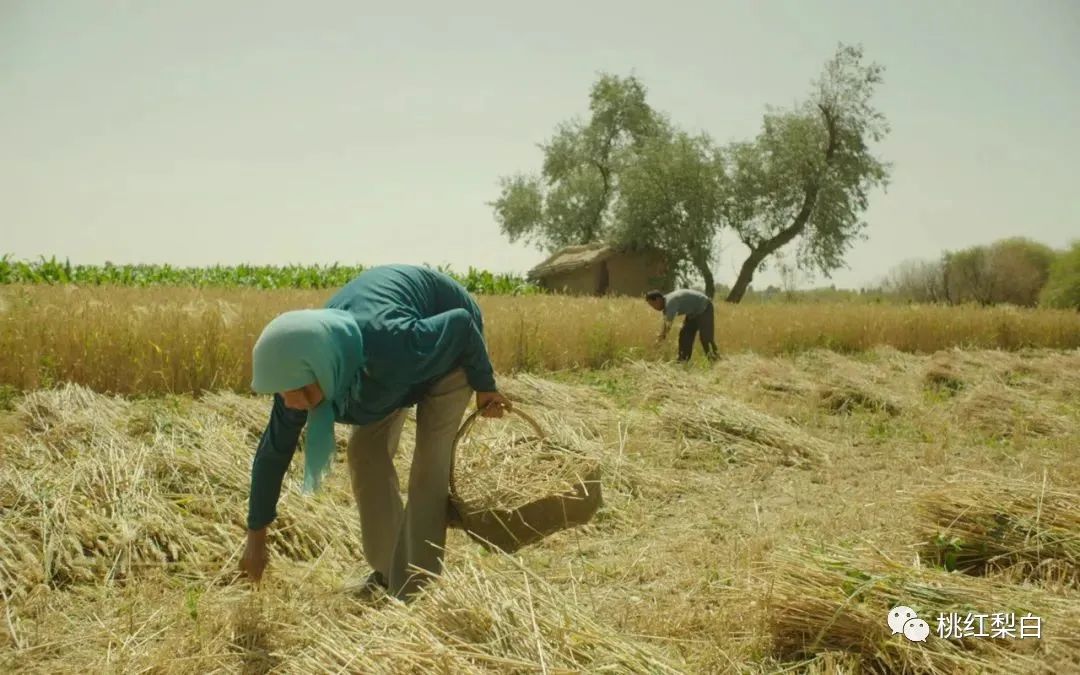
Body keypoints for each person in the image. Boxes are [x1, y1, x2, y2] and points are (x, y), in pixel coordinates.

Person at [239, 264, 511, 602]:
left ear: (322, 365)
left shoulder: (391, 344)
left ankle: (417, 590)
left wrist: (485, 387)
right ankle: (389, 573)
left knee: (428, 468)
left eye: (298, 390)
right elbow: (272, 455)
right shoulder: (301, 376)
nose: (293, 402)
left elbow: (461, 325)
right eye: (281, 392)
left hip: (448, 350)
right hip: (384, 374)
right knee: (364, 454)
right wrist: (256, 541)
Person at [645, 288, 719, 362]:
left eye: (653, 304)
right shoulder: (666, 302)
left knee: (706, 338)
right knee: (685, 335)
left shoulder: (670, 302)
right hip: (693, 313)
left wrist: (659, 341)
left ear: (658, 299)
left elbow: (667, 326)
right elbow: (665, 323)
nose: (653, 308)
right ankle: (683, 361)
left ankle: (715, 361)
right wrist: (661, 337)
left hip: (704, 307)